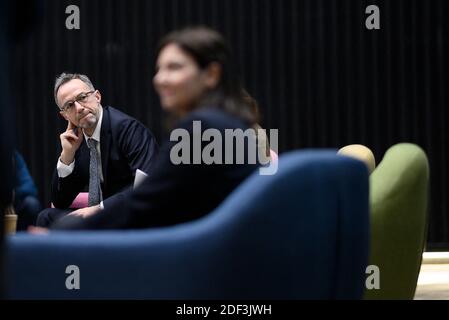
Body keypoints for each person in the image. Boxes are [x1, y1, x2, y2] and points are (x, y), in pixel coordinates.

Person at [48, 26, 260, 230]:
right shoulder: (228, 122)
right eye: (159, 69)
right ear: (64, 114)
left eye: (174, 67)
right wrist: (67, 157)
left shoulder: (203, 128)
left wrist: (74, 229)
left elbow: (147, 196)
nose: (159, 79)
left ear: (211, 74)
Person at [35, 73, 159, 227]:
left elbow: (146, 184)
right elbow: (60, 201)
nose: (79, 108)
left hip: (127, 214)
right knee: (46, 217)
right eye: (69, 105)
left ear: (97, 96)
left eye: (82, 97)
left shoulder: (128, 129)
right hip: (102, 219)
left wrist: (99, 209)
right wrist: (67, 156)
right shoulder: (77, 140)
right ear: (65, 115)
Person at [13, 151, 42, 230]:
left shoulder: (13, 156)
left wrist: (12, 193)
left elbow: (30, 188)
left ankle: (25, 240)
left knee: (32, 204)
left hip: (12, 202)